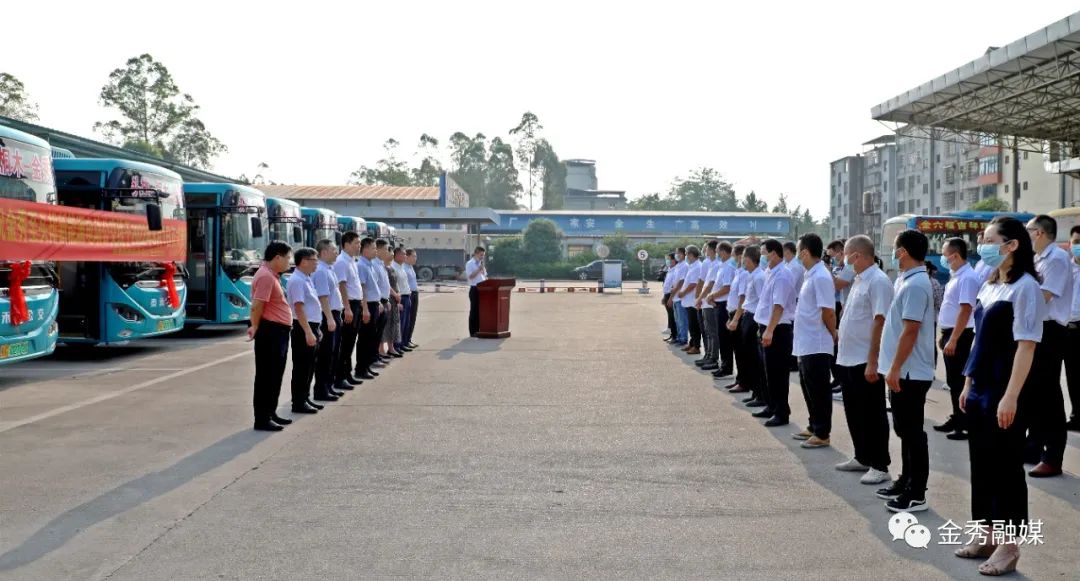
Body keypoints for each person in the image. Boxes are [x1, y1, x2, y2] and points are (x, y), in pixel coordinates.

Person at [954, 216, 1043, 576]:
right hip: (980, 387)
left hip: (1007, 388)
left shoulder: (1026, 288)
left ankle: (1009, 547)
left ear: (1012, 245)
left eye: (990, 240)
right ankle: (987, 534)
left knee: (1006, 466)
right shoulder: (991, 284)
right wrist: (967, 382)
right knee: (982, 463)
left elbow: (1027, 345)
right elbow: (978, 339)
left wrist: (1011, 396)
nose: (983, 246)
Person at [876, 229, 937, 513]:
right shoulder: (906, 279)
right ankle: (906, 479)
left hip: (909, 372)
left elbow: (911, 330)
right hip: (902, 370)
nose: (892, 253)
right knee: (903, 429)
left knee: (912, 432)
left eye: (895, 248)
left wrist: (895, 368)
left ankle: (916, 492)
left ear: (902, 252)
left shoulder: (916, 285)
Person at [835, 235, 893, 485]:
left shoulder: (878, 281)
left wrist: (873, 361)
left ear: (857, 255)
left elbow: (880, 321)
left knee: (872, 413)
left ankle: (880, 465)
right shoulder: (859, 279)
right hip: (848, 358)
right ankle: (862, 456)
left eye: (845, 255)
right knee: (854, 411)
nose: (843, 261)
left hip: (865, 360)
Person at [1023, 214, 1072, 477]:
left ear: (1039, 232)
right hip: (1037, 329)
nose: (1026, 234)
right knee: (1033, 392)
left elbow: (1044, 295)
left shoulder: (1056, 258)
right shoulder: (1037, 258)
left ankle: (1053, 457)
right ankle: (1033, 446)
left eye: (1028, 230)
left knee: (1049, 395)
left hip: (1051, 331)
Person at [792, 233, 837, 448]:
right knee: (808, 386)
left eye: (798, 250)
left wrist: (833, 333)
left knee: (819, 390)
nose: (797, 255)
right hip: (806, 342)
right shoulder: (810, 274)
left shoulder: (821, 276)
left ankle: (822, 433)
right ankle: (813, 425)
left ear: (805, 252)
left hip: (817, 342)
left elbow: (828, 311)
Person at [933, 238, 979, 441]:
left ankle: (964, 424)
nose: (942, 258)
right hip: (951, 333)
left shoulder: (967, 277)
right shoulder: (957, 275)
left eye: (944, 254)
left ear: (955, 255)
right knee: (953, 381)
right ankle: (957, 417)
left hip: (959, 334)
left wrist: (953, 339)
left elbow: (965, 309)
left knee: (959, 382)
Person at [248, 241, 294, 432]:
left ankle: (270, 412)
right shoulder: (266, 276)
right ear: (277, 257)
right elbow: (257, 305)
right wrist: (254, 326)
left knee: (275, 375)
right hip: (271, 332)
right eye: (288, 258)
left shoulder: (272, 275)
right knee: (266, 376)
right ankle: (262, 418)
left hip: (278, 331)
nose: (289, 262)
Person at [753, 239, 797, 427]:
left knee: (778, 373)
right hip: (767, 326)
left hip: (778, 329)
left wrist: (769, 330)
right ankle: (772, 406)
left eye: (763, 253)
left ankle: (781, 412)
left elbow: (779, 306)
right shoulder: (770, 272)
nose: (761, 257)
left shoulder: (782, 275)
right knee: (769, 372)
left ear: (773, 253)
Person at [286, 247, 324, 415]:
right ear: (303, 262)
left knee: (309, 366)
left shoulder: (306, 278)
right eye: (314, 260)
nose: (316, 263)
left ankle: (305, 398)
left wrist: (316, 329)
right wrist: (308, 332)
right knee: (302, 367)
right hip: (303, 327)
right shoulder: (297, 280)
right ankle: (298, 402)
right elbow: (299, 308)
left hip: (311, 326)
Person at [729, 246, 766, 404]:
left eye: (744, 258)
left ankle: (760, 395)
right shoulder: (752, 275)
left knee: (754, 359)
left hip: (753, 319)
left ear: (749, 259)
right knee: (749, 357)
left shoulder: (759, 276)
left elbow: (763, 301)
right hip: (747, 316)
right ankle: (755, 392)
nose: (742, 261)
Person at [312, 239, 343, 401]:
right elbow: (323, 297)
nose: (337, 252)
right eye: (333, 250)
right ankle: (321, 390)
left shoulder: (329, 269)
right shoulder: (321, 271)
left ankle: (329, 386)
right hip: (327, 315)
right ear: (324, 252)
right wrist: (330, 319)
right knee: (326, 354)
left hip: (334, 314)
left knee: (333, 353)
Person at [333, 231, 364, 391]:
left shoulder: (352, 261)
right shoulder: (341, 262)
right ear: (346, 244)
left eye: (359, 243)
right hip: (349, 305)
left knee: (350, 342)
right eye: (356, 243)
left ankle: (347, 374)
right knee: (345, 343)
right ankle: (339, 377)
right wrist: (347, 308)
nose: (359, 246)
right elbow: (342, 286)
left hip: (356, 304)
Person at [354, 237, 382, 381]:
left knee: (371, 337)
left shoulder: (370, 265)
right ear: (365, 250)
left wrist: (379, 302)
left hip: (374, 304)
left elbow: (374, 287)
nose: (375, 251)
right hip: (368, 305)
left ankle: (366, 366)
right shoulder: (361, 266)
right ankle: (361, 369)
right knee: (365, 338)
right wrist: (365, 308)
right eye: (373, 248)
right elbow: (362, 289)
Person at [706, 242, 736, 376]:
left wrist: (712, 295)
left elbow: (726, 287)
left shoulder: (728, 267)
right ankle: (724, 365)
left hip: (724, 305)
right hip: (718, 303)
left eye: (718, 251)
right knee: (721, 336)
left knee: (724, 338)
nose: (716, 254)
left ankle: (726, 368)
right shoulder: (723, 266)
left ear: (723, 252)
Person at [719, 245, 746, 383]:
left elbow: (742, 298)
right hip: (732, 313)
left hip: (739, 314)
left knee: (741, 350)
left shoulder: (744, 274)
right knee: (737, 349)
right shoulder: (738, 272)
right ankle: (740, 380)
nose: (733, 258)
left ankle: (743, 381)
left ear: (741, 256)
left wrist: (735, 318)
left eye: (734, 256)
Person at [695, 241, 721, 369]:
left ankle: (713, 358)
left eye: (707, 249)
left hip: (710, 303)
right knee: (708, 331)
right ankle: (708, 355)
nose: (705, 251)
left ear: (712, 250)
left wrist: (700, 298)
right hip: (706, 302)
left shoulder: (716, 265)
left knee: (712, 332)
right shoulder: (711, 264)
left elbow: (710, 285)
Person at [677, 246, 703, 355]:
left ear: (691, 254)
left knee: (694, 325)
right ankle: (692, 343)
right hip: (688, 301)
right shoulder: (692, 266)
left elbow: (693, 284)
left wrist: (683, 292)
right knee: (691, 325)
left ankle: (696, 346)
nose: (686, 256)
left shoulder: (697, 266)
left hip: (693, 300)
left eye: (687, 254)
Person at [1067, 225, 1080, 432]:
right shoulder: (1064, 269)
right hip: (1067, 328)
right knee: (1073, 375)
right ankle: (1076, 415)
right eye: (1076, 242)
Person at [382, 244, 404, 357]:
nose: (391, 254)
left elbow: (396, 283)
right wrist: (395, 294)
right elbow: (386, 285)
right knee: (386, 325)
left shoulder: (391, 267)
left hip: (395, 298)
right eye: (389, 251)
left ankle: (391, 348)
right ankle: (381, 349)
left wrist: (398, 295)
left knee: (393, 324)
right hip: (389, 297)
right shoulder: (383, 267)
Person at [667, 247, 689, 346]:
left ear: (684, 254)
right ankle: (679, 337)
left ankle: (683, 339)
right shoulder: (678, 266)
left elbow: (681, 281)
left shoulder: (685, 265)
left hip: (680, 297)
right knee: (677, 320)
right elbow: (674, 281)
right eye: (676, 253)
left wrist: (674, 291)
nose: (677, 255)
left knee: (682, 320)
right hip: (675, 297)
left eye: (679, 253)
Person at [392, 247, 412, 354]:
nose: (405, 256)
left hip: (407, 297)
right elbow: (395, 286)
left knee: (406, 323)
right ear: (397, 255)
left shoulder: (402, 267)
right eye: (403, 254)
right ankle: (397, 346)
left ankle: (403, 343)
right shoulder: (393, 267)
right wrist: (398, 302)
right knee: (399, 324)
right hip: (400, 298)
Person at [466, 246, 487, 337]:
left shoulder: (480, 264)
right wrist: (479, 269)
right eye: (481, 255)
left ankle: (479, 330)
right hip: (474, 289)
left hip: (482, 289)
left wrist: (482, 270)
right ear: (476, 253)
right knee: (474, 311)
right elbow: (470, 276)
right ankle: (473, 332)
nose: (482, 257)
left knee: (480, 311)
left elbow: (484, 275)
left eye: (483, 255)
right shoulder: (470, 264)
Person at [404, 248, 420, 349]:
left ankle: (408, 339)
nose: (415, 258)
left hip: (415, 294)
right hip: (409, 294)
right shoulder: (404, 268)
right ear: (407, 257)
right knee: (408, 319)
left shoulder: (410, 267)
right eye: (413, 256)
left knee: (412, 318)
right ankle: (404, 341)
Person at [661, 253, 678, 343]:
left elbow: (674, 285)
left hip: (672, 295)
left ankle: (675, 336)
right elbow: (666, 284)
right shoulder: (670, 269)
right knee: (670, 315)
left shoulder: (676, 270)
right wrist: (664, 296)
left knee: (673, 316)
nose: (667, 261)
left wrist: (670, 298)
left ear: (674, 260)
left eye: (669, 259)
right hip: (667, 294)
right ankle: (672, 334)